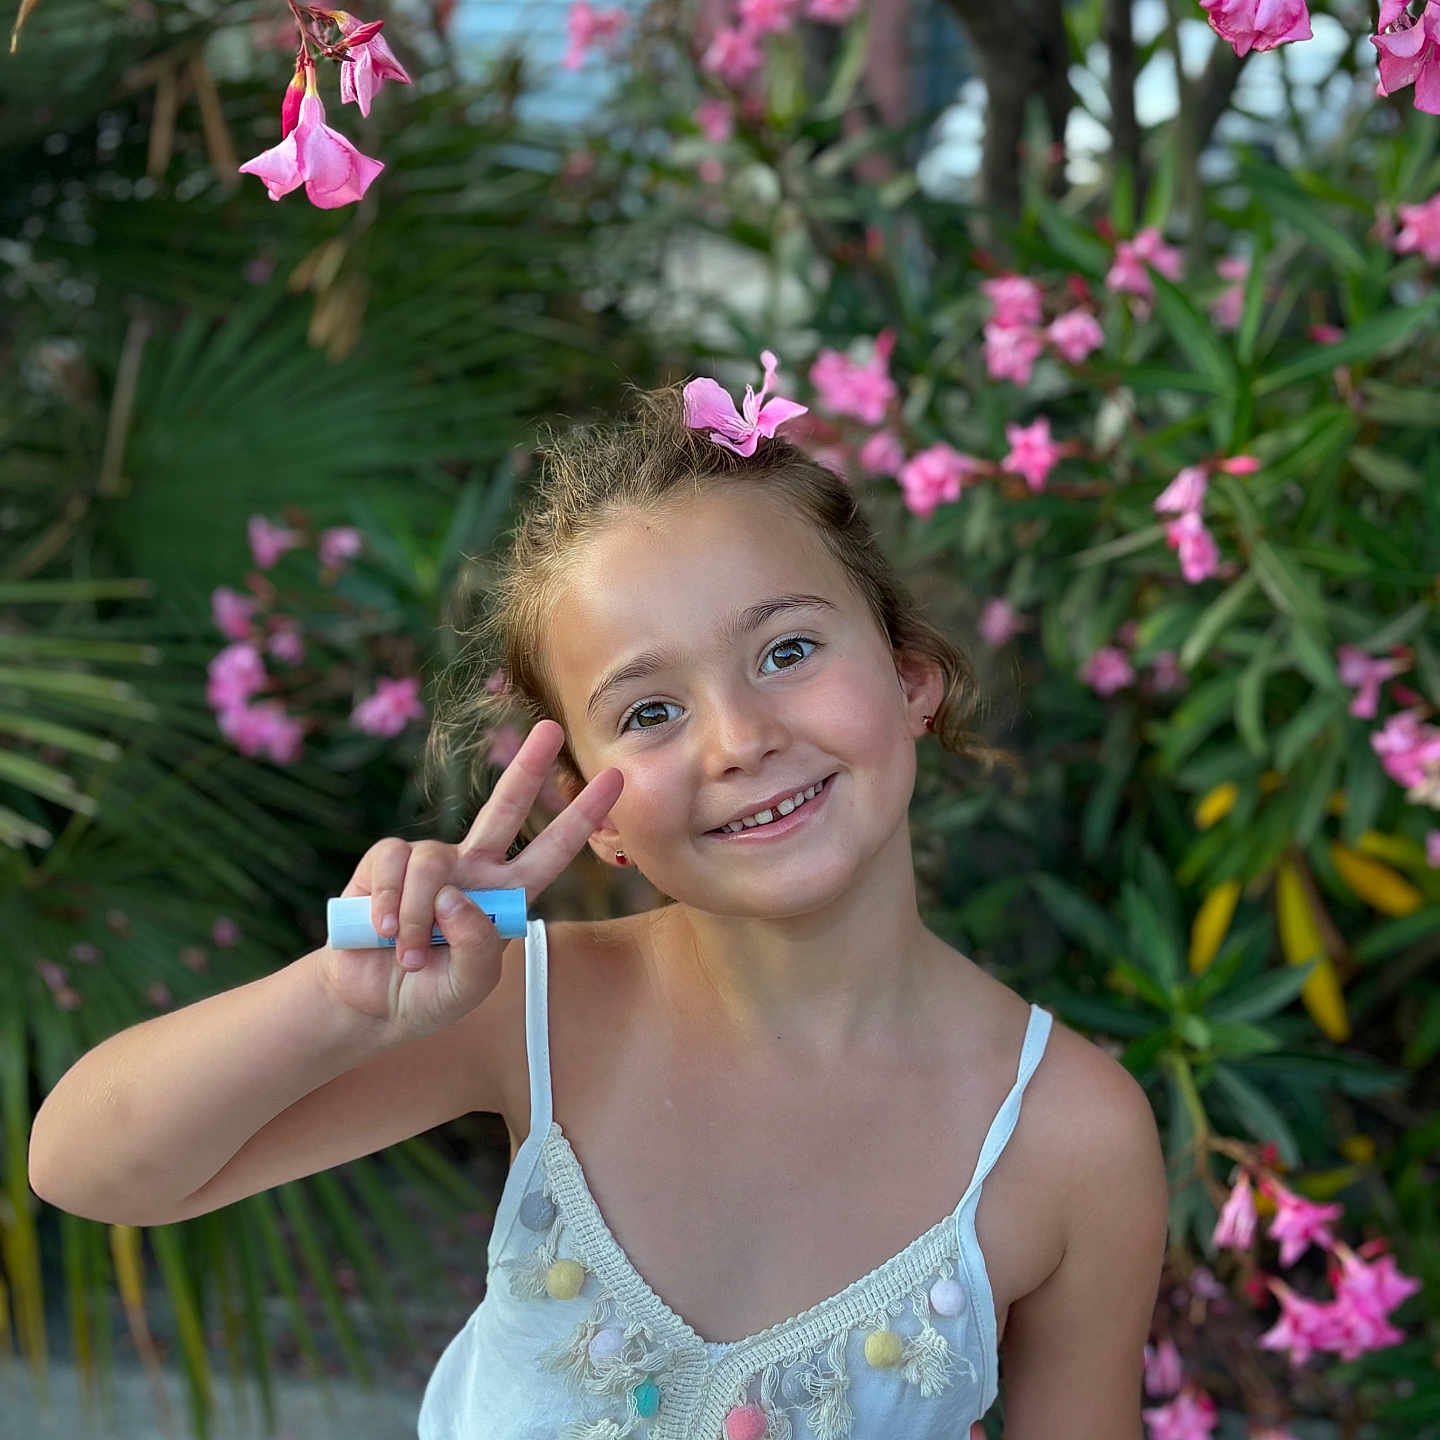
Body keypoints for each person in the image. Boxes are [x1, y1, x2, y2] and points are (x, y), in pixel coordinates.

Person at [29, 366, 1170, 1440]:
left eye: (788, 650)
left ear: (911, 676)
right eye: (650, 713)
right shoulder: (529, 1006)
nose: (741, 739)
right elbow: (88, 1167)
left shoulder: (1072, 1137)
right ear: (595, 813)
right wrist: (339, 1002)